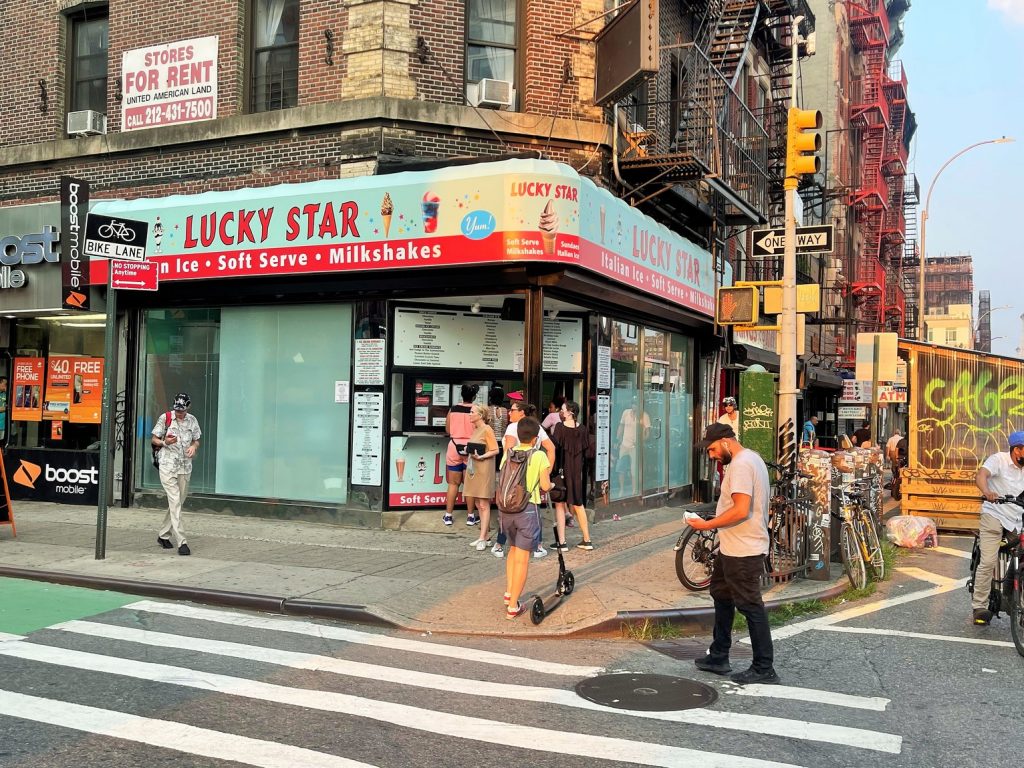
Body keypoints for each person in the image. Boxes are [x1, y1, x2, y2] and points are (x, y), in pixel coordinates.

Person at [690, 422, 778, 685]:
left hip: (744, 550)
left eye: (713, 449)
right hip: (732, 548)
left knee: (750, 606)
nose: (711, 455)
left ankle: (763, 667)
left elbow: (741, 509)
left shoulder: (740, 465)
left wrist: (706, 525)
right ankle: (719, 655)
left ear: (726, 442)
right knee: (721, 594)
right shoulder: (752, 458)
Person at [501, 417, 552, 620]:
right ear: (536, 438)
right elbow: (545, 485)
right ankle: (514, 606)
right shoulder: (539, 455)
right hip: (527, 511)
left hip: (506, 511)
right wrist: (552, 485)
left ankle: (509, 593)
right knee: (522, 559)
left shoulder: (508, 453)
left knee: (512, 551)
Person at [972, 431, 1024, 625]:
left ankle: (1015, 600)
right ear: (1017, 450)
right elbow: (981, 475)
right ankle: (980, 606)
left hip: (1018, 518)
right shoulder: (999, 460)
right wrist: (987, 491)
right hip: (995, 514)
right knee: (988, 561)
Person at [494, 402, 555, 559]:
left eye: (513, 410)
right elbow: (551, 448)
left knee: (510, 507)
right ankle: (537, 546)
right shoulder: (537, 428)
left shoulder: (513, 427)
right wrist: (546, 472)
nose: (509, 412)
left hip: (513, 482)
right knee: (533, 516)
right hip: (531, 484)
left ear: (521, 412)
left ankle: (500, 545)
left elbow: (508, 451)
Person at [151, 392, 202, 556]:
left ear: (188, 407)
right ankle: (182, 542)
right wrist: (165, 442)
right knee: (175, 501)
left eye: (182, 410)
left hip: (185, 467)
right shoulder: (165, 418)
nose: (179, 413)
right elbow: (154, 439)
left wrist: (194, 446)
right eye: (177, 410)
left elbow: (196, 439)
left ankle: (163, 535)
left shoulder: (192, 420)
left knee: (177, 503)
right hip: (168, 466)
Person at [549, 400, 594, 551]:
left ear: (570, 412)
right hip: (576, 473)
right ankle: (587, 539)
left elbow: (554, 449)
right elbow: (587, 453)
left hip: (562, 472)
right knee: (578, 504)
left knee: (560, 504)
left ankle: (562, 542)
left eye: (563, 410)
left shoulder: (560, 428)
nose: (561, 412)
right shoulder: (583, 429)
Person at [465, 404, 500, 551]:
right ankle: (484, 536)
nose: (469, 414)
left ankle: (483, 538)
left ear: (480, 415)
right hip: (475, 468)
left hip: (484, 469)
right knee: (479, 504)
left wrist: (482, 456)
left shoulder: (487, 429)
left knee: (484, 504)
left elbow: (495, 449)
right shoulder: (477, 429)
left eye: (472, 412)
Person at [443, 383, 478, 527]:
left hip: (454, 447)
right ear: (474, 396)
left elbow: (447, 429)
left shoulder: (453, 409)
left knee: (453, 483)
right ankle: (470, 517)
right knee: (469, 484)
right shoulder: (476, 410)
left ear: (462, 395)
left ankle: (448, 516)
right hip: (471, 449)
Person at [615, 397, 650, 496]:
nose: (634, 405)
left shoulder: (644, 416)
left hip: (635, 447)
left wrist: (640, 441)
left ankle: (634, 490)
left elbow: (647, 434)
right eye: (633, 403)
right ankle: (621, 490)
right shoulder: (626, 412)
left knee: (634, 470)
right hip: (624, 445)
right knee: (621, 468)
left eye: (636, 404)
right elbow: (621, 427)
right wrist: (617, 440)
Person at [0, 377, 7, 441]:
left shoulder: (5, 394)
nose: (6, 385)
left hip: (4, 426)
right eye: (5, 384)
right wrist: (7, 408)